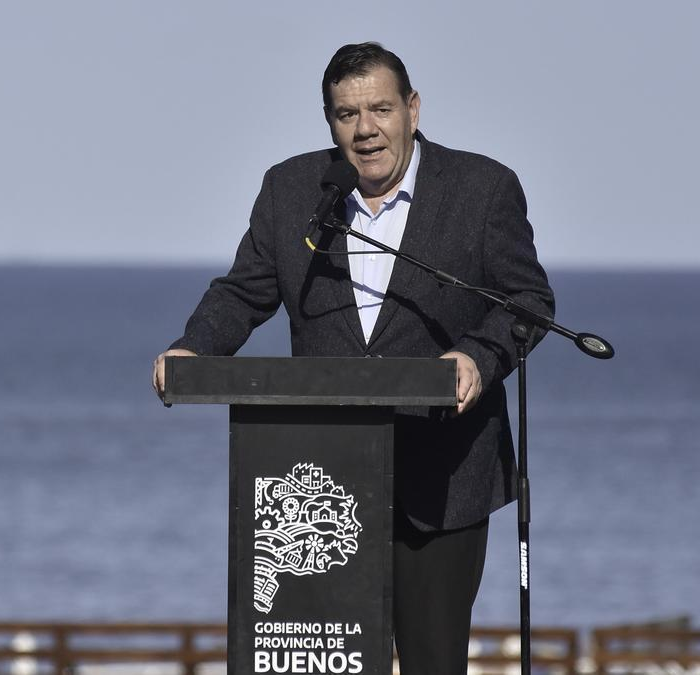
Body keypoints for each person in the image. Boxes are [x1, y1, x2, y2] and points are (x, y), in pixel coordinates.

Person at [152, 42, 554, 675]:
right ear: (330, 122)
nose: (366, 130)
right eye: (347, 114)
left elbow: (527, 301)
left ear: (413, 110)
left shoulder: (481, 190)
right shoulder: (291, 190)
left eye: (381, 110)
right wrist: (194, 347)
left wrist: (477, 358)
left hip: (441, 481)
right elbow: (244, 291)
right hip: (321, 484)